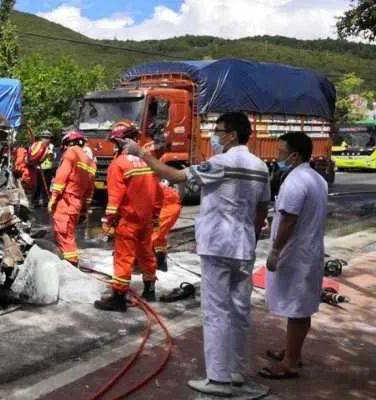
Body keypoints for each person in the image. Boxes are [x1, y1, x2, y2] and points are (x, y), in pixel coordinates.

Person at [118, 112, 270, 396]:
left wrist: (141, 153)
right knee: (239, 311)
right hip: (244, 246)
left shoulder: (221, 163)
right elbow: (262, 209)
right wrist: (248, 231)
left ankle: (218, 379)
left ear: (233, 134)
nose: (216, 136)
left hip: (218, 246)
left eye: (219, 130)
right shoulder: (260, 166)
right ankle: (236, 372)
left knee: (216, 312)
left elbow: (175, 175)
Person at [259, 132, 328, 380]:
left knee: (297, 307)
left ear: (294, 155)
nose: (278, 157)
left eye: (281, 152)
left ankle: (290, 362)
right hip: (309, 251)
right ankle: (292, 351)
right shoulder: (316, 179)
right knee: (300, 305)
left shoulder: (296, 181)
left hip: (296, 255)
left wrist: (276, 250)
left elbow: (289, 219)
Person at [94, 120, 163, 312]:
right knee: (146, 252)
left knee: (124, 257)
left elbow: (115, 197)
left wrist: (109, 220)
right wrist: (156, 215)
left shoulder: (119, 164)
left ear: (120, 142)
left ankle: (118, 297)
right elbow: (158, 193)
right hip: (146, 219)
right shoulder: (148, 160)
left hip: (129, 219)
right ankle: (150, 289)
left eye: (115, 143)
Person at [48, 131, 96, 266]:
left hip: (67, 199)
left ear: (68, 143)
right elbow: (89, 189)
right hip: (77, 201)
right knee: (69, 233)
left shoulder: (71, 153)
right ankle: (71, 260)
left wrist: (54, 197)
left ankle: (70, 263)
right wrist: (85, 208)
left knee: (62, 232)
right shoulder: (91, 162)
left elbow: (61, 176)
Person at [152, 180, 182, 271]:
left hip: (168, 207)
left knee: (153, 236)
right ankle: (160, 263)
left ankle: (154, 263)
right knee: (158, 236)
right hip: (169, 206)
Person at [29, 130, 54, 208]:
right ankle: (34, 202)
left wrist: (49, 153)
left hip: (48, 168)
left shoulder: (51, 146)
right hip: (39, 168)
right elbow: (32, 155)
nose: (47, 139)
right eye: (45, 137)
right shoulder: (36, 145)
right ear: (42, 138)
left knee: (46, 185)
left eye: (48, 138)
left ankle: (45, 202)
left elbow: (51, 156)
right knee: (37, 186)